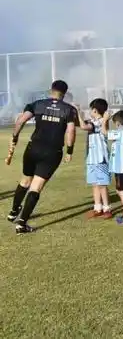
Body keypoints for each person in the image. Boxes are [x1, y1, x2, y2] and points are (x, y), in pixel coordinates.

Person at [5, 80, 78, 234]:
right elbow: (70, 131)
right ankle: (22, 224)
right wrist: (70, 150)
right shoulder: (69, 109)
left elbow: (20, 121)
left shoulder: (37, 104)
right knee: (36, 187)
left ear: (50, 90)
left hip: (33, 148)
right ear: (65, 94)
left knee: (25, 180)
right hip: (52, 152)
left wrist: (15, 138)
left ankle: (13, 213)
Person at [77, 99, 112, 219]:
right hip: (91, 158)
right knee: (95, 184)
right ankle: (98, 208)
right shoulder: (94, 121)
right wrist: (78, 113)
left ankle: (107, 208)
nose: (89, 111)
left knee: (102, 184)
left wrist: (77, 112)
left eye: (90, 109)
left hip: (100, 157)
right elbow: (81, 123)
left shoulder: (101, 122)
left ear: (95, 110)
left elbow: (83, 126)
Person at [106, 110, 123, 220]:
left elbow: (104, 132)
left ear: (117, 122)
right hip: (122, 166)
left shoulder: (121, 131)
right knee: (120, 190)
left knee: (121, 191)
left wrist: (105, 120)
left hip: (121, 167)